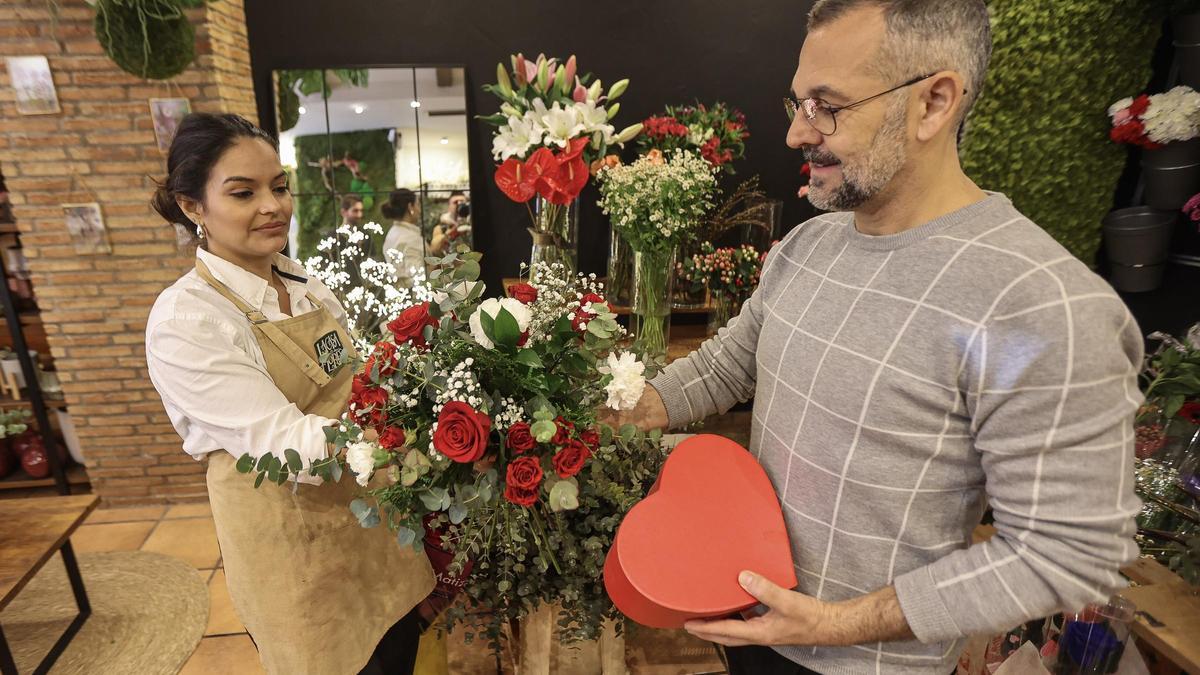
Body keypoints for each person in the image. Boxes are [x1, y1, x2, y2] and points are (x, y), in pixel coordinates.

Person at [613, 2, 1143, 673]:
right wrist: (613, 414)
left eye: (826, 106)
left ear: (934, 103)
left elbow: (1066, 554)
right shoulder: (810, 245)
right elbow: (728, 365)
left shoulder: (1044, 304)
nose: (796, 134)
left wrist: (835, 623)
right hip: (750, 630)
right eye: (799, 103)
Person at [146, 113, 434, 675]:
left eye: (279, 187)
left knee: (396, 649)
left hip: (368, 519)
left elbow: (352, 376)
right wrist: (408, 443)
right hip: (289, 541)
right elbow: (281, 441)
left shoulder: (302, 281)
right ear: (192, 207)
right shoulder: (189, 318)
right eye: (243, 192)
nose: (272, 206)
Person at [380, 188, 426, 286]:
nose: (419, 210)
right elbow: (417, 276)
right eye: (417, 205)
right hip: (415, 296)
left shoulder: (393, 232)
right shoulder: (410, 238)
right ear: (410, 207)